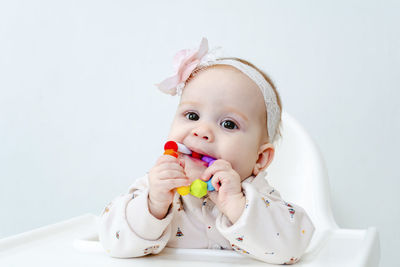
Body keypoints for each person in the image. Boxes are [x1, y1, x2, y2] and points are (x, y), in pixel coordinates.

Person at [98, 38, 315, 265]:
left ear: (260, 158)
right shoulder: (158, 187)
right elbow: (112, 242)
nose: (202, 131)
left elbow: (293, 247)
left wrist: (238, 206)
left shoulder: (257, 196)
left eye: (228, 124)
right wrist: (153, 206)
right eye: (192, 116)